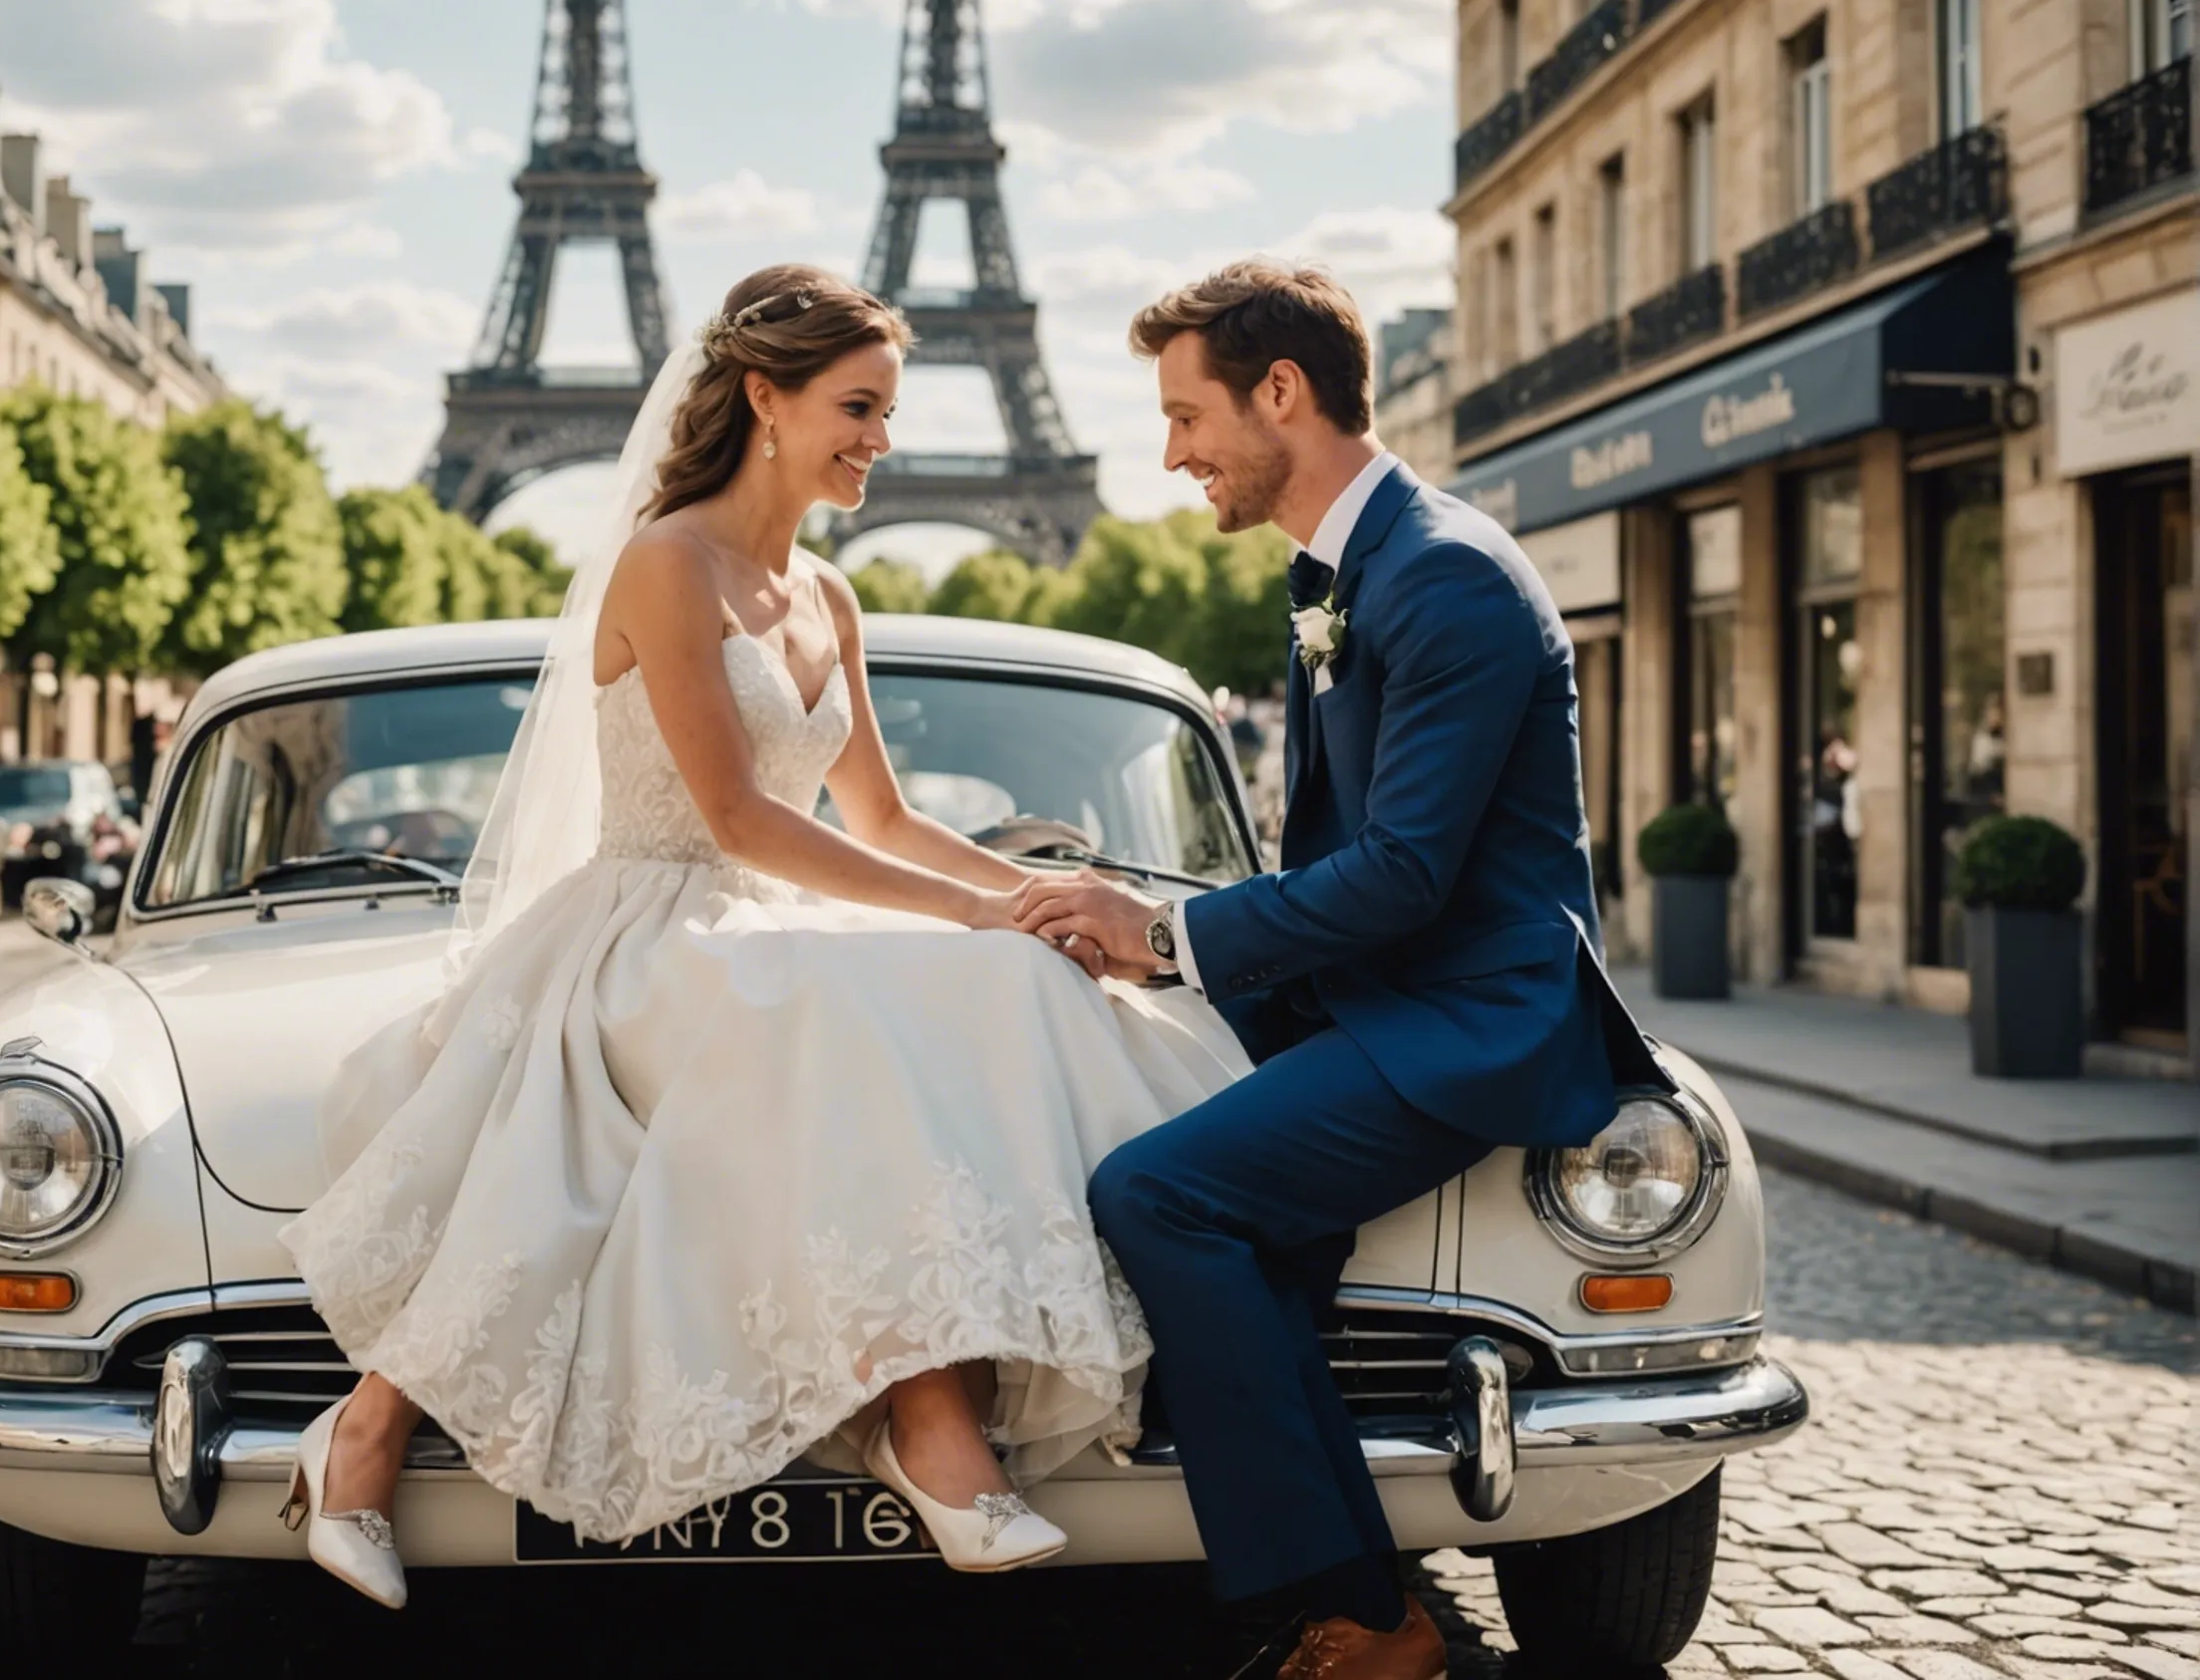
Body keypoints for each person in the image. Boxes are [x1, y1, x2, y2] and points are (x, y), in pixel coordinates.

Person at [274, 265, 1248, 1609]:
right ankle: (920, 1426)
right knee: (851, 996)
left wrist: (1028, 898)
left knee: (986, 977)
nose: (883, 440)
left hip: (767, 930)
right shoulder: (665, 562)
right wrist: (973, 912)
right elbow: (734, 815)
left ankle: (936, 1409)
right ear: (763, 399)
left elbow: (887, 819)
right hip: (650, 927)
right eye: (858, 405)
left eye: (890, 409)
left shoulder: (828, 597)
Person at [1012, 262, 1658, 1680]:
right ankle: (1339, 1583)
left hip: (1467, 1023)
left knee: (1158, 1191)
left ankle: (1359, 1612)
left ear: (1282, 393)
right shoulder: (1353, 572)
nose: (1173, 451)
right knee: (1220, 1209)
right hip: (1382, 1000)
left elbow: (1408, 872)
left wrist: (1166, 935)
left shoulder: (1444, 576)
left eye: (1188, 415)